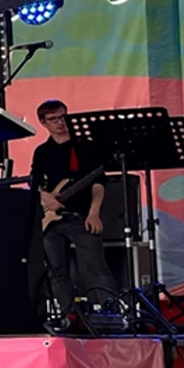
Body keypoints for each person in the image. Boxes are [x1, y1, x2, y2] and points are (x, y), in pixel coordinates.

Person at [30, 99, 117, 323]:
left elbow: (98, 182)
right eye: (53, 119)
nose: (60, 122)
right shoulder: (42, 151)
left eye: (63, 117)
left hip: (80, 217)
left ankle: (111, 315)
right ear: (43, 123)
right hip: (50, 221)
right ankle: (68, 316)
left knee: (95, 267)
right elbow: (35, 183)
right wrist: (46, 197)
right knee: (56, 271)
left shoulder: (84, 147)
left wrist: (94, 213)